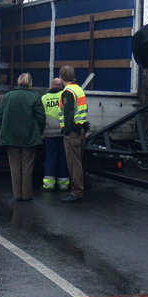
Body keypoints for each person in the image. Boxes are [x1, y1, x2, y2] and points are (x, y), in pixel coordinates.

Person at [0, 73, 45, 202]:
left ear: (18, 82)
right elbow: (41, 117)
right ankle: (27, 195)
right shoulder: (35, 97)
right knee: (27, 166)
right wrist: (38, 132)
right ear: (30, 83)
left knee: (15, 166)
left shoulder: (8, 96)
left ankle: (17, 194)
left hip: (11, 137)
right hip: (29, 137)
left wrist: (2, 129)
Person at [59, 65, 88, 203]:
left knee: (74, 163)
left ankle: (77, 191)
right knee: (78, 161)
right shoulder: (78, 89)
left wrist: (66, 132)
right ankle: (79, 188)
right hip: (80, 130)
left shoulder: (68, 92)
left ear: (61, 77)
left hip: (72, 132)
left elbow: (68, 114)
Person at [40, 77, 69, 192]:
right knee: (64, 159)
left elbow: (41, 116)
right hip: (63, 134)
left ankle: (49, 185)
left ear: (51, 86)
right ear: (61, 87)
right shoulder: (64, 96)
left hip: (49, 134)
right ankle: (63, 185)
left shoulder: (44, 98)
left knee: (51, 159)